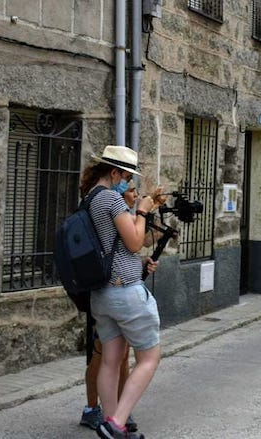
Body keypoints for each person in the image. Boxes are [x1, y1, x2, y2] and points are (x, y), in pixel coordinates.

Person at [79, 145, 161, 439]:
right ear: (113, 172)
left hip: (101, 295)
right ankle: (117, 422)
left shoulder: (89, 199)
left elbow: (115, 247)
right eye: (126, 175)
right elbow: (136, 241)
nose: (127, 182)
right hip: (125, 292)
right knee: (150, 357)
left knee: (111, 360)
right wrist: (141, 210)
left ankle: (113, 425)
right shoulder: (112, 201)